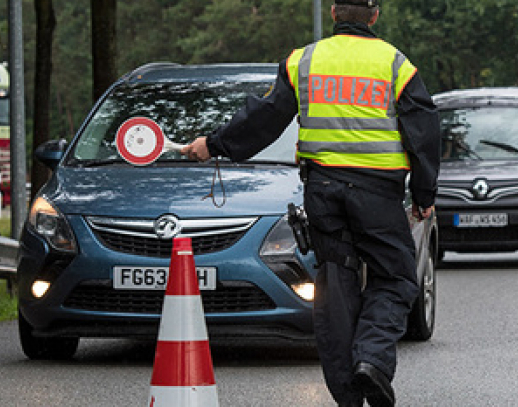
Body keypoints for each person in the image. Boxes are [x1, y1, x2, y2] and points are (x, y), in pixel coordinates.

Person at [183, 1, 440, 405]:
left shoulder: (303, 62)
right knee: (396, 278)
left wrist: (213, 144)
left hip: (323, 191)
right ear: (374, 16)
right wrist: (424, 195)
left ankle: (348, 394)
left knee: (336, 283)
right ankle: (371, 360)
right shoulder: (395, 64)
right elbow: (424, 132)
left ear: (335, 11)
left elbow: (265, 117)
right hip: (377, 195)